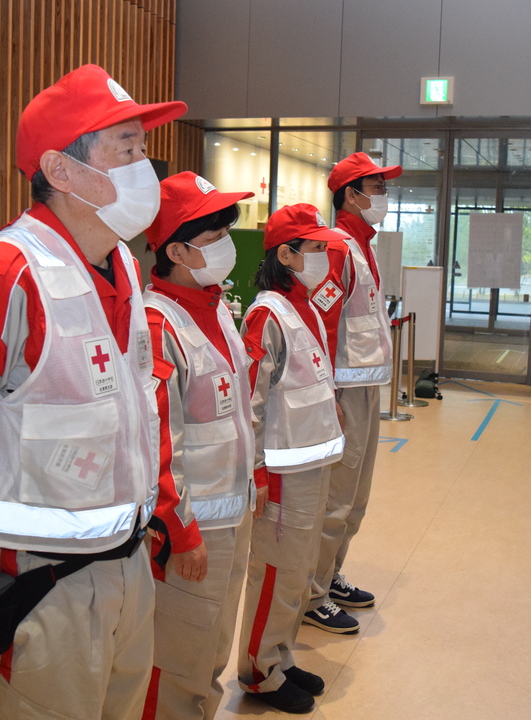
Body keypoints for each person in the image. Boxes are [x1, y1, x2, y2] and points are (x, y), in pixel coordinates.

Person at [0, 64, 186, 719]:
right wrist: (3, 541)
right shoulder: (4, 272)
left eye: (143, 149)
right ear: (61, 169)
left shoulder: (124, 264)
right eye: (126, 148)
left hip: (130, 556)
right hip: (50, 575)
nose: (145, 167)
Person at [139, 172, 257, 720]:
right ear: (177, 251)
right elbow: (159, 443)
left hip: (231, 513)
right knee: (178, 656)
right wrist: (179, 532)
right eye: (215, 237)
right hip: (192, 526)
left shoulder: (216, 308)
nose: (227, 245)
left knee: (211, 645)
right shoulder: (158, 324)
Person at [237, 203, 345, 715]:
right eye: (316, 248)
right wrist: (256, 472)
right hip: (281, 473)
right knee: (276, 575)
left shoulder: (304, 308)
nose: (325, 256)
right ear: (286, 255)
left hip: (311, 466)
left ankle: (279, 656)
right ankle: (259, 671)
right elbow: (250, 402)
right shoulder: (267, 315)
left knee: (298, 571)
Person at [302, 152, 401, 634]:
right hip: (344, 393)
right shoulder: (337, 248)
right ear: (351, 195)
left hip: (366, 388)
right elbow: (319, 326)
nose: (384, 196)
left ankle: (330, 575)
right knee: (337, 499)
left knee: (355, 499)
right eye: (377, 188)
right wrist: (330, 398)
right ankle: (311, 594)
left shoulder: (363, 246)